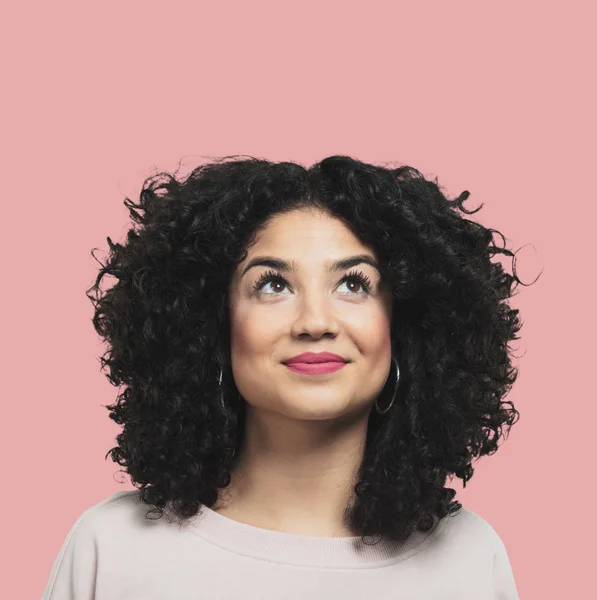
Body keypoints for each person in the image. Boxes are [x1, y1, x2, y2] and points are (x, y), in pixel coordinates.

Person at [41, 154, 528, 599]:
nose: (315, 321)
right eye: (273, 284)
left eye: (354, 284)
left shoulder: (469, 561)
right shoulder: (112, 550)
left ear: (403, 328)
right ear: (213, 325)